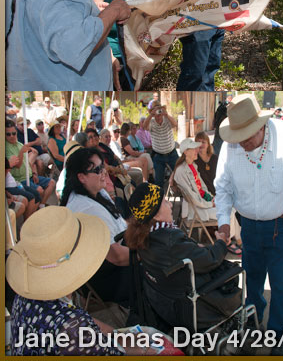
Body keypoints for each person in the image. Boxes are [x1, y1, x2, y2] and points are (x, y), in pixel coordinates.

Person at [215, 94, 283, 350]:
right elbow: (223, 187)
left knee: (281, 285)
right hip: (249, 227)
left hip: (282, 227)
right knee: (252, 281)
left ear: (261, 127)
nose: (241, 144)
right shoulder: (231, 146)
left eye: (247, 138)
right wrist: (223, 221)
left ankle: (278, 337)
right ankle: (252, 327)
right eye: (237, 138)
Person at [6, 206, 155, 355]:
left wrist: (116, 335)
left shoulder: (25, 296)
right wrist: (145, 350)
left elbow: (87, 323)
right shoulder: (72, 329)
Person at [124, 182, 240, 331]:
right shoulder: (171, 240)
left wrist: (193, 248)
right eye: (165, 202)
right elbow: (211, 259)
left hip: (162, 303)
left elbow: (187, 254)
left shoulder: (142, 235)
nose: (171, 205)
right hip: (193, 307)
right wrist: (221, 243)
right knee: (232, 272)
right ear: (156, 215)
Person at [60, 147, 132, 307]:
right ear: (81, 177)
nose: (104, 173)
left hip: (118, 259)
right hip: (107, 279)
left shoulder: (97, 192)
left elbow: (120, 224)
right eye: (98, 170)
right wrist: (149, 253)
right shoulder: (85, 208)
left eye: (103, 167)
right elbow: (117, 257)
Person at [6, 120, 54, 203]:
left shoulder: (20, 144)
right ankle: (37, 210)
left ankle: (41, 206)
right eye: (8, 134)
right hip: (20, 179)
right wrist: (21, 152)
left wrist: (34, 173)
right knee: (39, 191)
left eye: (14, 133)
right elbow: (17, 165)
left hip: (30, 176)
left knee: (52, 183)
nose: (12, 136)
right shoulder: (6, 147)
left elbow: (27, 163)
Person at [172, 137, 216, 223]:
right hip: (196, 210)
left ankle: (230, 236)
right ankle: (229, 236)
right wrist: (210, 204)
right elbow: (192, 197)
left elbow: (202, 188)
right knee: (229, 212)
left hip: (202, 203)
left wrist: (210, 198)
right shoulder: (181, 171)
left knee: (230, 208)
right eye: (193, 149)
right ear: (185, 152)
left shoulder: (193, 166)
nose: (197, 150)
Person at [149, 104, 178, 188]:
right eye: (156, 112)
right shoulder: (151, 122)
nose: (158, 115)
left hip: (172, 153)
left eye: (159, 111)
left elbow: (175, 124)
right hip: (158, 156)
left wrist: (166, 114)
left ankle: (180, 193)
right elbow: (144, 126)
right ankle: (160, 199)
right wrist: (151, 114)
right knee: (159, 181)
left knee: (180, 174)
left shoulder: (167, 119)